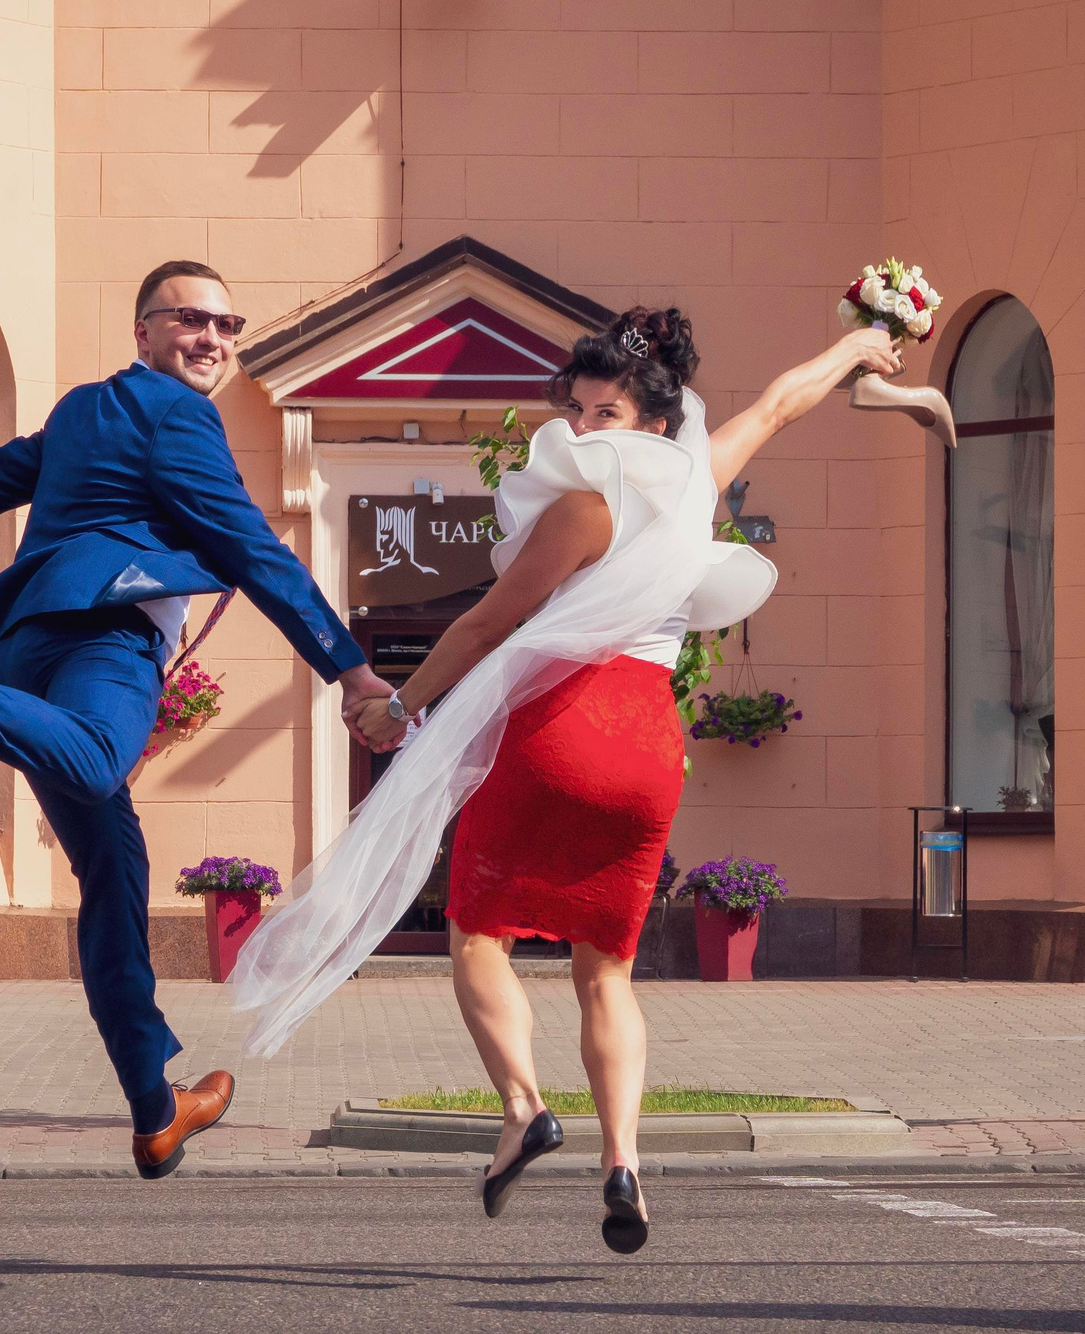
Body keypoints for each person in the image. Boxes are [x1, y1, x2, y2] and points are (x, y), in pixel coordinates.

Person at [233, 307, 903, 1253]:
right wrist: (856, 346)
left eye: (607, 414)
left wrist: (401, 707)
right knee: (606, 968)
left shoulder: (583, 508)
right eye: (578, 411)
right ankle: (622, 1162)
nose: (586, 429)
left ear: (654, 422)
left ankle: (523, 1110)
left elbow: (484, 625)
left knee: (478, 933)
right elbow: (780, 405)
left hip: (562, 725)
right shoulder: (698, 486)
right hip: (649, 747)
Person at [0, 260, 396, 1178]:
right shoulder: (178, 415)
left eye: (227, 325)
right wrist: (350, 672)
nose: (212, 339)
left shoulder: (83, 410)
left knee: (114, 872)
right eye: (190, 319)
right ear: (143, 331)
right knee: (97, 756)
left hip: (26, 646)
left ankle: (156, 1107)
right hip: (105, 642)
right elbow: (255, 549)